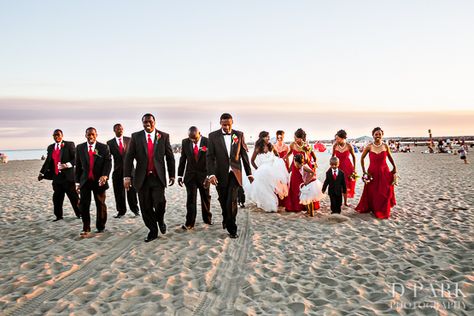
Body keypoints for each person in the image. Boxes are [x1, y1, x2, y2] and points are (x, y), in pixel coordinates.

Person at [124, 113, 176, 242]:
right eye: (145, 122)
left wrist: (172, 174)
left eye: (150, 122)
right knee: (145, 207)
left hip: (158, 177)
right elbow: (129, 157)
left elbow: (170, 157)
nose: (147, 124)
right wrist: (127, 176)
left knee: (160, 203)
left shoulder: (163, 136)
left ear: (154, 122)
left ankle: (161, 220)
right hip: (142, 177)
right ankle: (153, 230)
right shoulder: (136, 137)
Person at [207, 113, 253, 238]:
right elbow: (210, 157)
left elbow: (244, 154)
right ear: (220, 123)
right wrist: (211, 174)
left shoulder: (239, 135)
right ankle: (226, 218)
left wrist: (249, 173)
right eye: (224, 124)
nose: (226, 127)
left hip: (235, 173)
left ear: (232, 123)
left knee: (232, 201)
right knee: (223, 200)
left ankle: (232, 228)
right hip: (219, 174)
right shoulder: (213, 136)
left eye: (228, 124)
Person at [75, 127, 112, 235]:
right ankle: (86, 228)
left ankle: (101, 226)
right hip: (85, 181)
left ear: (96, 135)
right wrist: (77, 182)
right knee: (84, 205)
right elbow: (77, 166)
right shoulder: (80, 147)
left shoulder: (104, 147)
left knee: (100, 204)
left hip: (99, 180)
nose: (91, 136)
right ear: (85, 135)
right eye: (88, 134)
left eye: (93, 134)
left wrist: (105, 175)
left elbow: (108, 162)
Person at [39, 129, 81, 221]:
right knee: (57, 198)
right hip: (56, 177)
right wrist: (42, 172)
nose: (56, 136)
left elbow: (76, 158)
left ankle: (80, 214)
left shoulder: (69, 144)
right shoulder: (50, 147)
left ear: (62, 135)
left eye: (58, 134)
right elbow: (48, 161)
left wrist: (67, 165)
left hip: (68, 178)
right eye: (54, 135)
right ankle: (58, 216)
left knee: (74, 197)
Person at [355, 127, 397, 219]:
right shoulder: (369, 146)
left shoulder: (385, 146)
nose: (378, 136)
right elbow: (362, 158)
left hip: (384, 171)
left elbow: (389, 157)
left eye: (379, 134)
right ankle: (373, 208)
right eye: (376, 134)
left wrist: (394, 166)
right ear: (373, 135)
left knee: (384, 190)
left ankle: (383, 208)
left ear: (382, 135)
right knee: (372, 191)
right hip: (372, 172)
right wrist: (364, 171)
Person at [244, 131, 289, 213]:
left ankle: (274, 204)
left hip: (272, 169)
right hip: (262, 171)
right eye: (266, 137)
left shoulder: (271, 146)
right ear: (262, 138)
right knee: (265, 189)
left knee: (273, 188)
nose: (268, 138)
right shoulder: (258, 148)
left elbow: (277, 155)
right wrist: (257, 169)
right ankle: (269, 205)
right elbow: (252, 161)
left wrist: (275, 161)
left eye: (269, 136)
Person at [177, 126, 212, 230]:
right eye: (190, 138)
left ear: (199, 133)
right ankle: (189, 223)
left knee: (205, 198)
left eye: (195, 138)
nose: (193, 141)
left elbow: (212, 160)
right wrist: (179, 175)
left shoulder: (208, 141)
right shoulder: (185, 142)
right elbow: (183, 159)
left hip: (204, 176)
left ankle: (207, 219)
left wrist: (209, 175)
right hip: (190, 176)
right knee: (191, 199)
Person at [107, 124, 140, 218]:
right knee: (119, 193)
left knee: (132, 192)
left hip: (130, 171)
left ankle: (135, 210)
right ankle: (121, 212)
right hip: (117, 171)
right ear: (114, 130)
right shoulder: (110, 143)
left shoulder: (130, 140)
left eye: (121, 129)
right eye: (118, 129)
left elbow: (137, 155)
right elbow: (108, 159)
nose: (120, 130)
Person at [285, 128, 319, 212]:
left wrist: (313, 163)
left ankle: (305, 206)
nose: (295, 139)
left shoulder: (307, 146)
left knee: (304, 187)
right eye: (294, 137)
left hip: (304, 169)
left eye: (297, 138)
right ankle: (295, 206)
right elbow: (289, 154)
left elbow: (313, 158)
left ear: (302, 138)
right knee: (294, 186)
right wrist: (282, 159)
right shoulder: (292, 144)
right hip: (295, 168)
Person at [332, 129, 356, 201]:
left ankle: (345, 201)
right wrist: (332, 165)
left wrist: (354, 168)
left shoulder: (349, 146)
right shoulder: (335, 145)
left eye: (338, 139)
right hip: (337, 166)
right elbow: (333, 156)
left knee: (345, 185)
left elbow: (353, 157)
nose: (336, 140)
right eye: (335, 139)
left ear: (343, 138)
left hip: (347, 167)